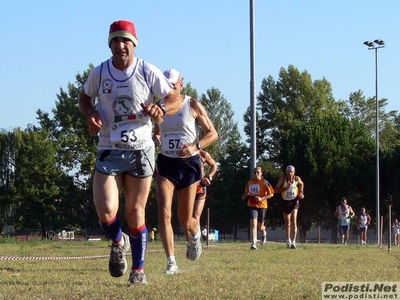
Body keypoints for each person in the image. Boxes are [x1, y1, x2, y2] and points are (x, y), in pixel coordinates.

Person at [78, 20, 182, 285]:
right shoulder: (100, 72)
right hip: (109, 147)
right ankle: (118, 240)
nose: (120, 45)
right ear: (110, 44)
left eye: (126, 41)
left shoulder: (146, 70)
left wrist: (161, 107)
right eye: (115, 40)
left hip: (141, 149)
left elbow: (175, 98)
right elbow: (84, 97)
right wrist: (90, 113)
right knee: (105, 211)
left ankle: (138, 271)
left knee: (135, 212)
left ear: (134, 44)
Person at [153, 68, 218, 275]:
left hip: (189, 164)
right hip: (166, 163)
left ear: (181, 83)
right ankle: (171, 262)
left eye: (174, 84)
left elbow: (213, 133)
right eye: (167, 84)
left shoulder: (192, 104)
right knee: (164, 212)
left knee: (185, 220)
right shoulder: (159, 107)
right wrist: (153, 140)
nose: (170, 87)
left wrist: (195, 146)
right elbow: (157, 133)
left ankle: (195, 235)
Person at [242, 166, 274, 250]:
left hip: (262, 205)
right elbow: (245, 193)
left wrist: (262, 198)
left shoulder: (264, 182)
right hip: (252, 205)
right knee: (253, 224)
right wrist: (245, 196)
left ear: (261, 173)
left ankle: (264, 233)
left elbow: (272, 194)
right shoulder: (249, 183)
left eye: (258, 172)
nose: (256, 174)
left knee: (260, 226)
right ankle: (254, 243)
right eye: (254, 172)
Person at [274, 165, 304, 249]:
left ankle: (293, 242)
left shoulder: (297, 179)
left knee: (294, 220)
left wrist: (301, 192)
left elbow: (302, 184)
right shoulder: (282, 179)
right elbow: (275, 190)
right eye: (288, 171)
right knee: (288, 223)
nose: (290, 173)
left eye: (291, 171)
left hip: (294, 201)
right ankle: (288, 240)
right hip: (285, 201)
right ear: (286, 172)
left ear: (294, 172)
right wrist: (285, 189)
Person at [193, 150, 218, 227]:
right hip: (185, 188)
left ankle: (195, 238)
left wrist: (209, 177)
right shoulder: (181, 152)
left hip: (199, 188)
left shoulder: (203, 154)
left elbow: (214, 165)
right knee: (186, 216)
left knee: (196, 215)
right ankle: (190, 236)